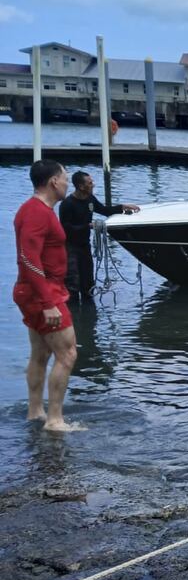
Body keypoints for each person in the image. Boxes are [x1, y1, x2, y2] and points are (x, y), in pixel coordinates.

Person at [13, 160, 83, 432]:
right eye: (65, 178)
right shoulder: (36, 213)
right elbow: (28, 259)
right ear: (54, 181)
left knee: (40, 353)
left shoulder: (37, 210)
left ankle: (35, 411)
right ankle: (55, 420)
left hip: (35, 291)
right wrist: (48, 303)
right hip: (43, 292)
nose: (67, 182)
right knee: (67, 354)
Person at [59, 171, 140, 301]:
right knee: (72, 284)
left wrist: (123, 207)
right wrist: (88, 226)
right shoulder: (67, 204)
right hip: (70, 248)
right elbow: (65, 229)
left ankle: (89, 315)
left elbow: (104, 210)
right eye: (90, 183)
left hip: (85, 246)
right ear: (81, 186)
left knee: (88, 284)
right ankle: (74, 316)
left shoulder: (90, 199)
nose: (93, 185)